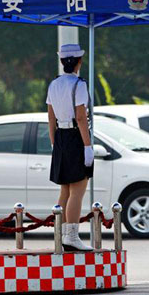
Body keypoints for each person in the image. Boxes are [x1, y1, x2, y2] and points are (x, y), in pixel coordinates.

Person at [47, 43, 95, 251]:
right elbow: (81, 117)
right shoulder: (79, 85)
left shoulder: (54, 84)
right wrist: (88, 146)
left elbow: (50, 117)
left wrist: (53, 142)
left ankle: (63, 234)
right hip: (76, 136)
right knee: (78, 188)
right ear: (79, 61)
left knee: (65, 189)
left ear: (61, 61)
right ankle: (72, 236)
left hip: (60, 135)